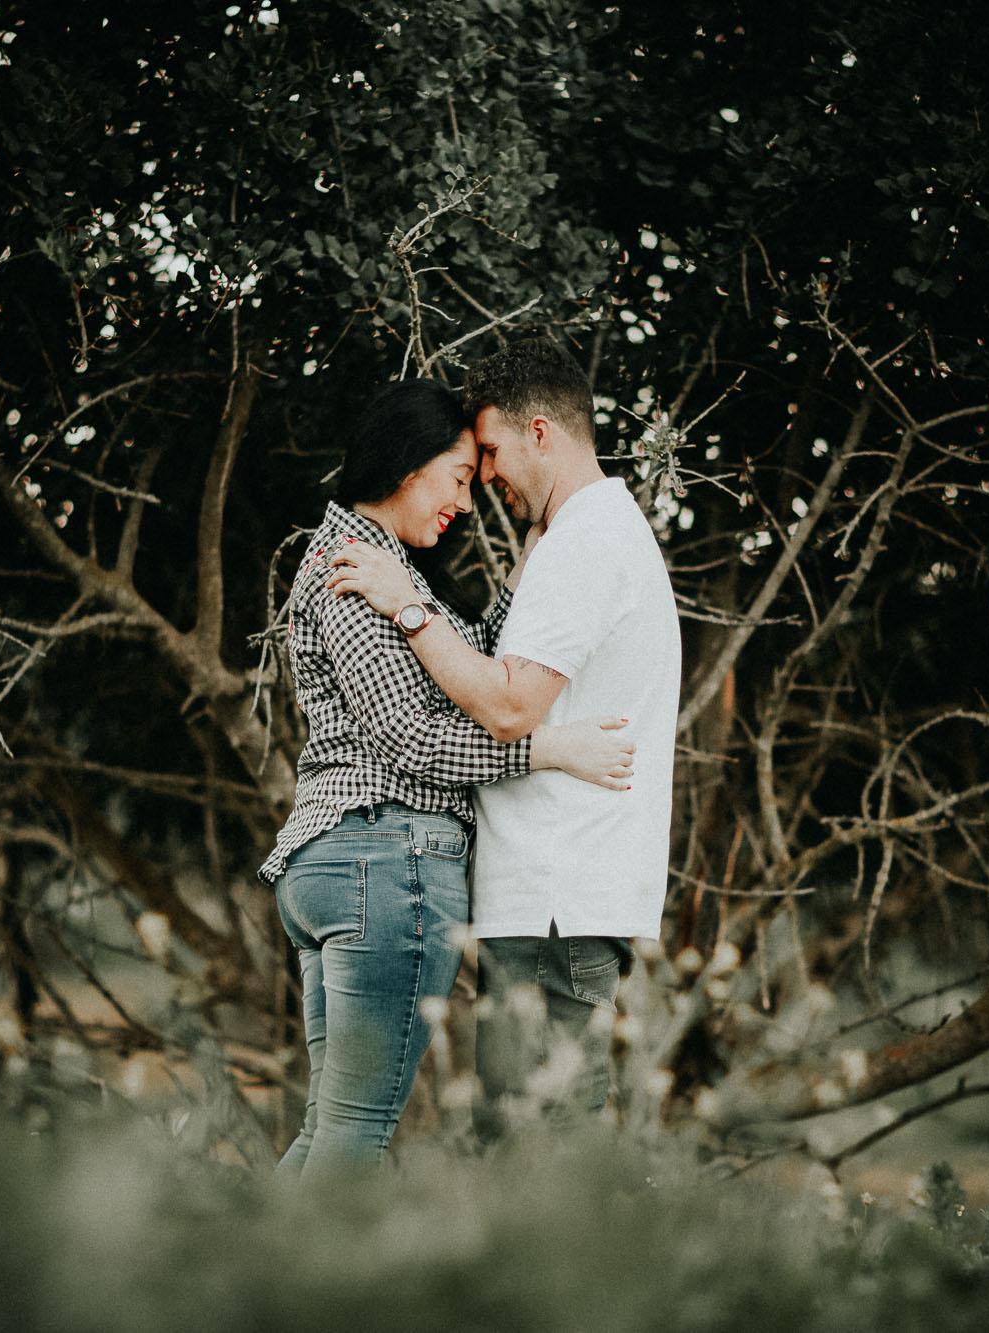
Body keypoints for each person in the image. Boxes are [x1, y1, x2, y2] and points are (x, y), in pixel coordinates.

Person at [261, 376, 636, 1177]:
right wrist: (548, 749)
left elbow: (474, 646)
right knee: (354, 1136)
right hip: (386, 863)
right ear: (406, 464)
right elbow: (414, 739)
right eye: (460, 477)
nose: (468, 502)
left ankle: (233, 1289)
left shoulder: (383, 565)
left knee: (328, 1129)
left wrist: (546, 541)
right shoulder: (351, 568)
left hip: (344, 863)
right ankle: (286, 1300)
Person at [323, 339, 681, 1138]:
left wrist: (407, 608)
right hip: (563, 895)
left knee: (539, 1153)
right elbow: (500, 665)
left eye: (489, 450)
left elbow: (512, 705)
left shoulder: (585, 541)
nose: (486, 476)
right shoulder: (587, 536)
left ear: (541, 433)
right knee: (533, 1143)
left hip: (556, 897)